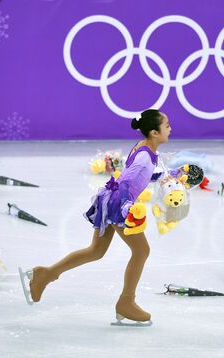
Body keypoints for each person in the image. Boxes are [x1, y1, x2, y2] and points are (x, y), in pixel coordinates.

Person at [28, 109, 171, 324]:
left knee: (96, 251)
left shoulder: (146, 149)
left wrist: (172, 175)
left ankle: (46, 274)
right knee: (141, 250)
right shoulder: (144, 156)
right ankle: (126, 302)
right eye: (167, 125)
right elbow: (125, 182)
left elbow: (142, 175)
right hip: (118, 204)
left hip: (112, 200)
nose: (170, 128)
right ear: (154, 132)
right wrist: (126, 208)